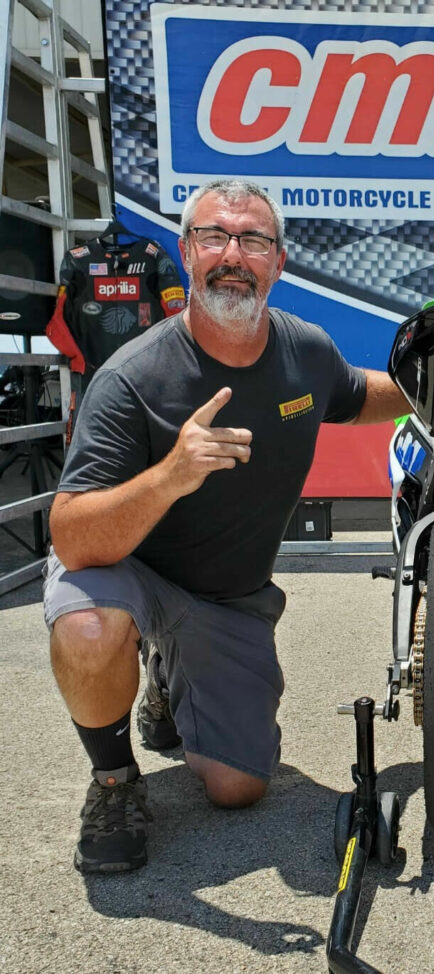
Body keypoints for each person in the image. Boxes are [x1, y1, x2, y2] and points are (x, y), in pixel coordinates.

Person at [44, 178, 409, 874]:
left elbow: (362, 396)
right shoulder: (131, 378)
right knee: (89, 626)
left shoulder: (303, 350)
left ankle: (165, 680)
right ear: (187, 252)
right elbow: (71, 536)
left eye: (252, 240)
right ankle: (114, 782)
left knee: (238, 789)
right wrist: (171, 475)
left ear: (279, 260)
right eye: (213, 236)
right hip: (131, 571)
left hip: (225, 597)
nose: (232, 254)